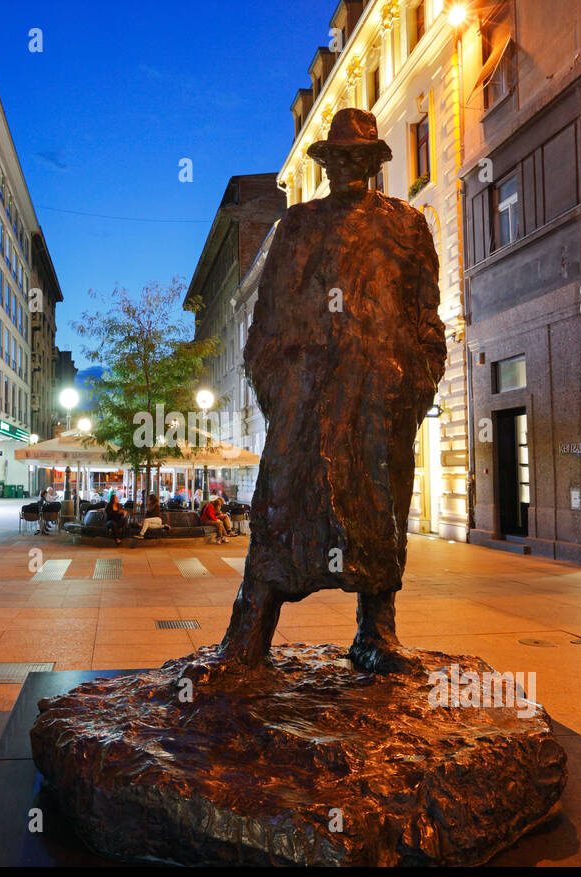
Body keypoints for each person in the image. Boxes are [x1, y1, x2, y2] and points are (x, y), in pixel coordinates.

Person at [218, 108, 446, 676]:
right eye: (338, 158)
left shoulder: (407, 224)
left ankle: (378, 631)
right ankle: (250, 634)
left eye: (359, 159)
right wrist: (280, 388)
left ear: (372, 165)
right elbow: (266, 317)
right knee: (283, 500)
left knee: (380, 505)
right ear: (324, 165)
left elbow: (425, 314)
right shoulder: (298, 224)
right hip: (307, 395)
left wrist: (414, 378)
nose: (347, 168)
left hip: (377, 393)